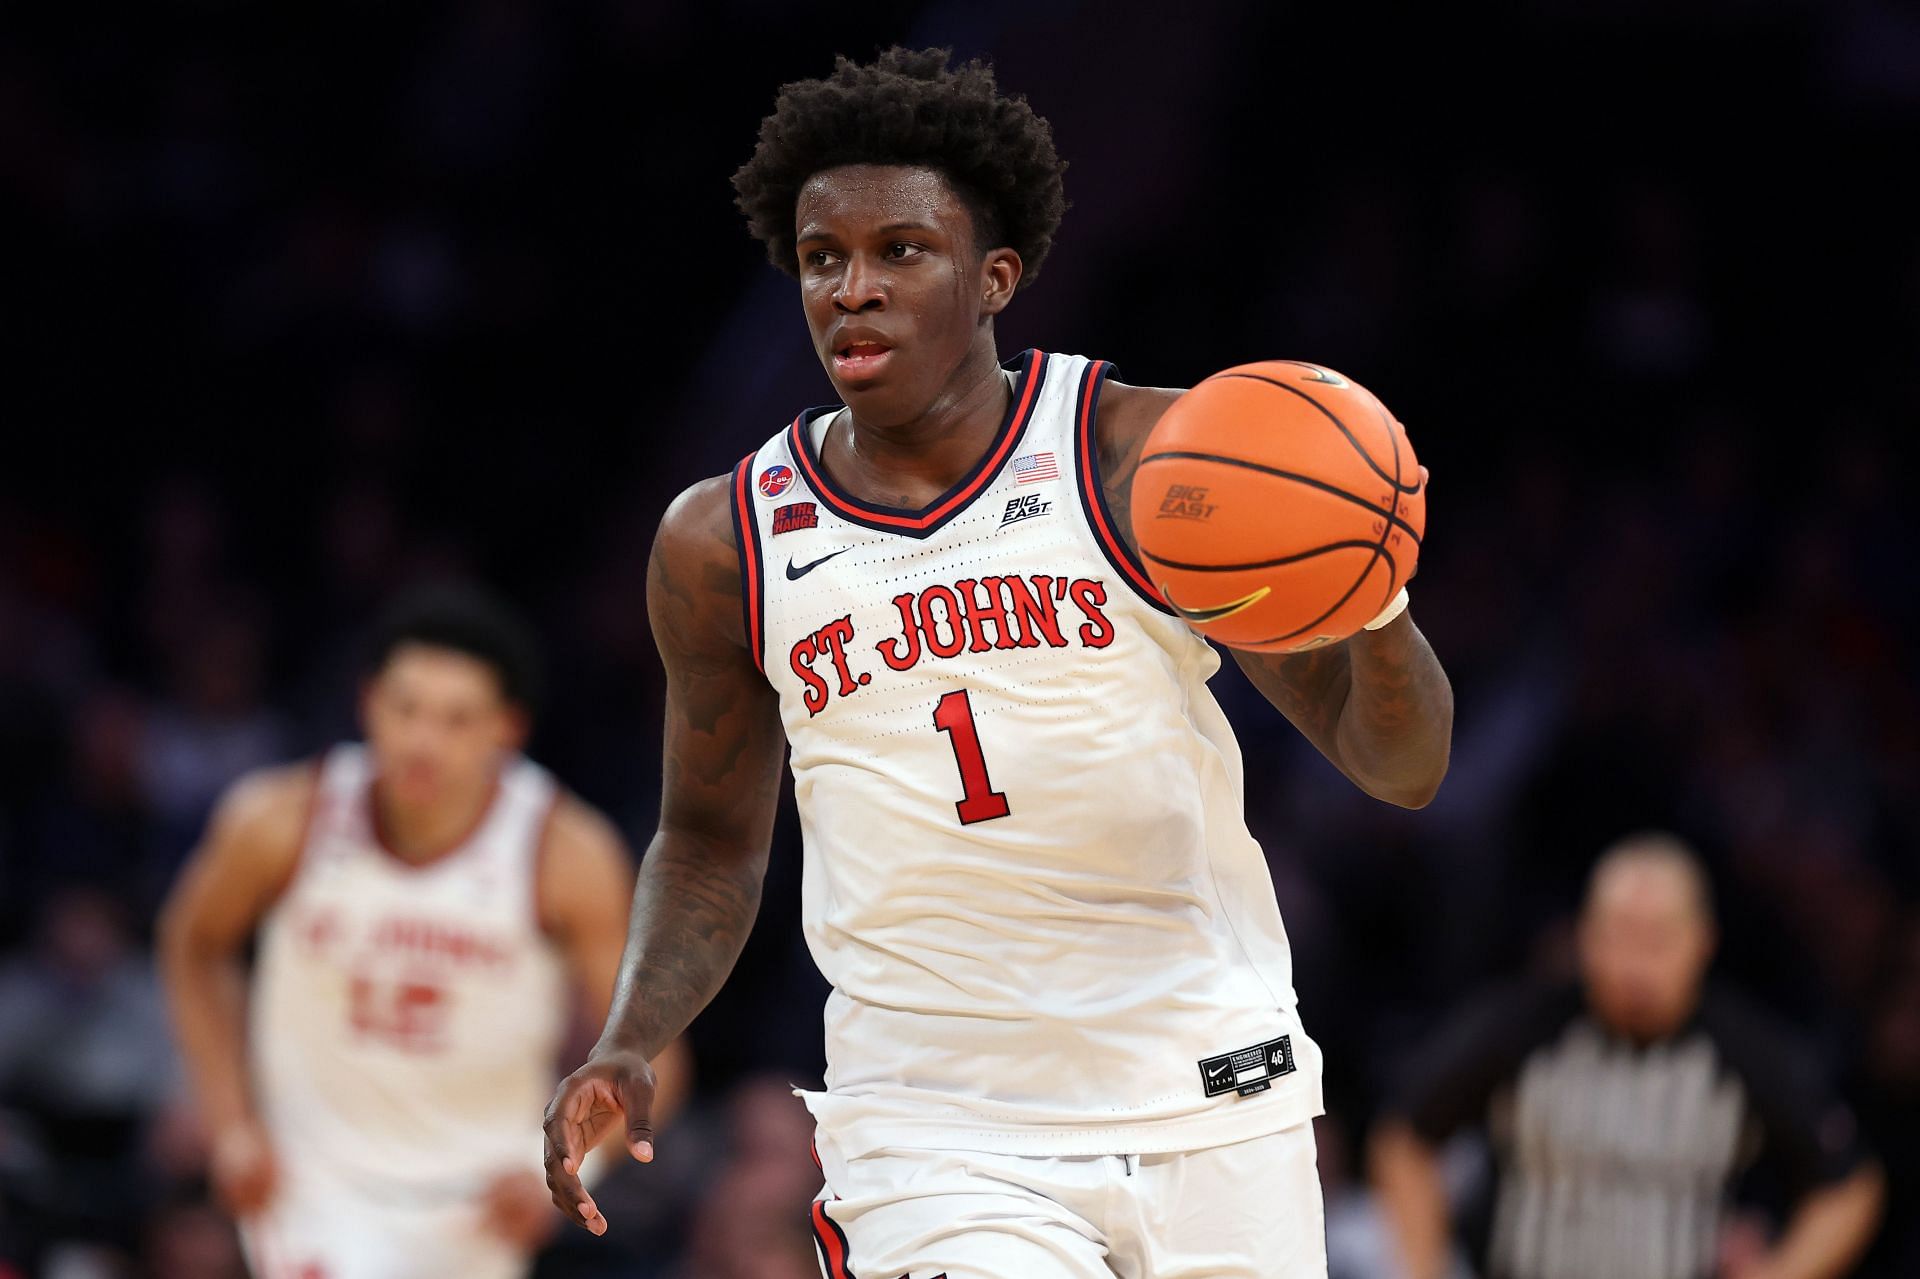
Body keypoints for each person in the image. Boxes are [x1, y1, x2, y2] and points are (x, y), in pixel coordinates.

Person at [543, 47, 1453, 1279]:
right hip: (937, 1132)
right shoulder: (724, 538)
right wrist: (634, 1033)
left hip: (1213, 1094)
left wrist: (1371, 581)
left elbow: (1397, 763)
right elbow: (709, 838)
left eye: (901, 252)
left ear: (994, 277)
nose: (852, 290)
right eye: (823, 260)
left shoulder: (1148, 463)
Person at [159, 583, 688, 1279]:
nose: (422, 740)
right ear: (367, 701)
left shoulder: (565, 852)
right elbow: (192, 945)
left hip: (477, 1203)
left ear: (508, 727)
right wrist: (229, 1123)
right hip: (309, 1183)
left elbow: (655, 1059)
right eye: (405, 708)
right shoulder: (279, 819)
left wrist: (569, 1161)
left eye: (457, 718)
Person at [1370, 833, 1885, 1279]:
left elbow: (1849, 1184)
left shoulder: (1741, 1047)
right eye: (1620, 937)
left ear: (1701, 941)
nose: (1636, 966)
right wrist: (1425, 1268)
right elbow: (1405, 1138)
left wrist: (1782, 1272)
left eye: (1658, 939)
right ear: (1586, 939)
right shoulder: (1526, 1027)